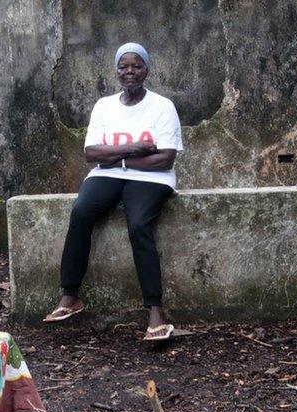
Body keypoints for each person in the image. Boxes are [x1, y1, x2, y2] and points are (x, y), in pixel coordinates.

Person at [43, 43, 183, 341]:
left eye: (136, 66)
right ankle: (70, 296)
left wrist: (114, 155)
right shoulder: (104, 106)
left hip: (152, 179)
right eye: (123, 66)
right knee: (81, 212)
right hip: (108, 174)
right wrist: (132, 149)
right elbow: (92, 153)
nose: (129, 71)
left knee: (139, 224)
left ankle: (156, 311)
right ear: (116, 71)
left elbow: (165, 158)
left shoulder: (162, 106)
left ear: (146, 69)